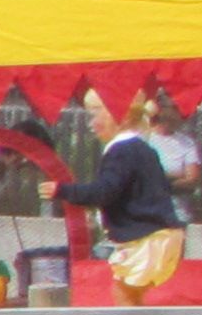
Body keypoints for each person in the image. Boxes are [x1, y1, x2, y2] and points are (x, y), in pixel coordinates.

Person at [73, 91, 191, 303]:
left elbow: (105, 191)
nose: (91, 124)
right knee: (128, 296)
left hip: (145, 240)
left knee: (125, 296)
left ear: (119, 118)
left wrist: (64, 191)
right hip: (155, 237)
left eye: (96, 115)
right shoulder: (138, 148)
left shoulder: (124, 149)